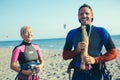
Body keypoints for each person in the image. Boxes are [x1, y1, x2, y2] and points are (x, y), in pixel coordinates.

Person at [62, 4, 118, 80]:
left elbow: (113, 53)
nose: (84, 16)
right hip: (78, 74)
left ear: (92, 15)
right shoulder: (72, 33)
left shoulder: (101, 31)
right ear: (78, 16)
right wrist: (76, 50)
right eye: (81, 14)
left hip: (96, 73)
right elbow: (65, 56)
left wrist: (95, 60)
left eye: (87, 13)